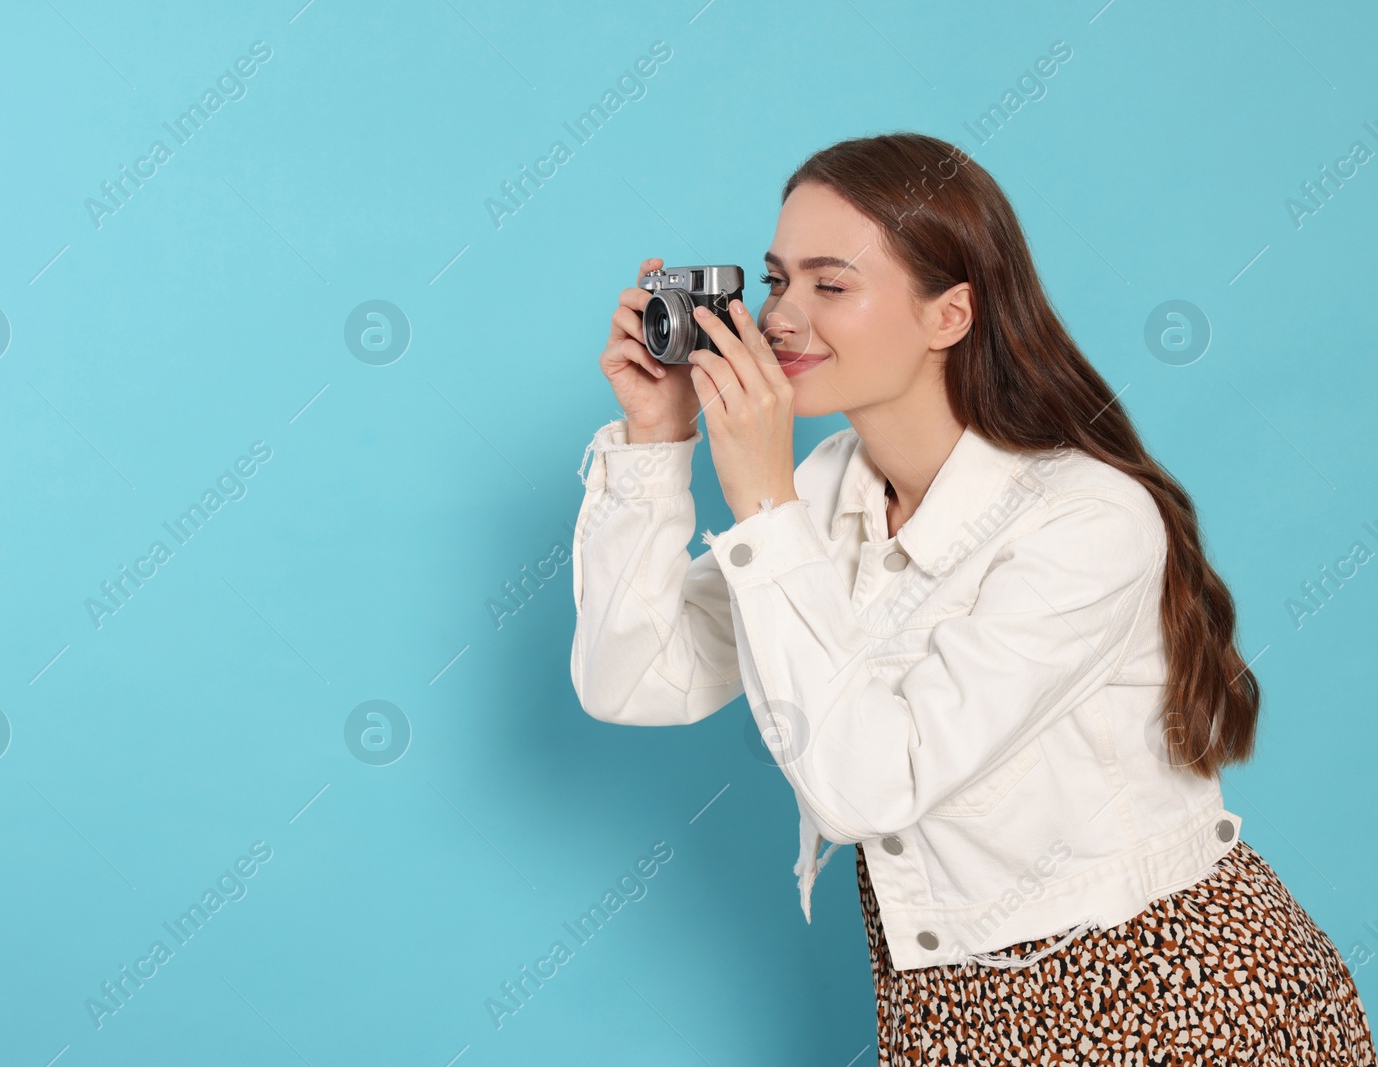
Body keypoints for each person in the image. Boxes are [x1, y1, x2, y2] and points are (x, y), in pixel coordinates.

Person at [568, 131, 1375, 1062]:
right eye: (777, 279)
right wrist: (655, 447)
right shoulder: (827, 489)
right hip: (951, 1015)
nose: (782, 318)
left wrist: (757, 499)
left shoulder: (1087, 522)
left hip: (1173, 999)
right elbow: (631, 680)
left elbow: (867, 788)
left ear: (950, 314)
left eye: (832, 285)